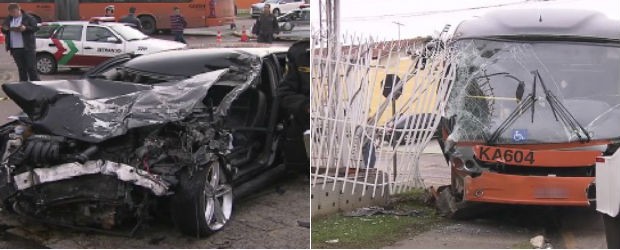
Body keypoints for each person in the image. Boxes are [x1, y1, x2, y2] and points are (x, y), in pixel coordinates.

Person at [277, 39, 310, 169]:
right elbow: (284, 94)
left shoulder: (349, 53)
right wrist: (306, 106)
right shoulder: (299, 53)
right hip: (306, 125)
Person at [1, 3, 40, 81]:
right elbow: (4, 29)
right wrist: (4, 29)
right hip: (15, 48)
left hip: (27, 47)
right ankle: (23, 86)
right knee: (21, 69)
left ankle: (37, 85)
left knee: (31, 68)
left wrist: (25, 28)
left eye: (14, 12)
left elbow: (35, 28)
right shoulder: (9, 19)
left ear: (19, 10)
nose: (13, 14)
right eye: (11, 12)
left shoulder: (28, 18)